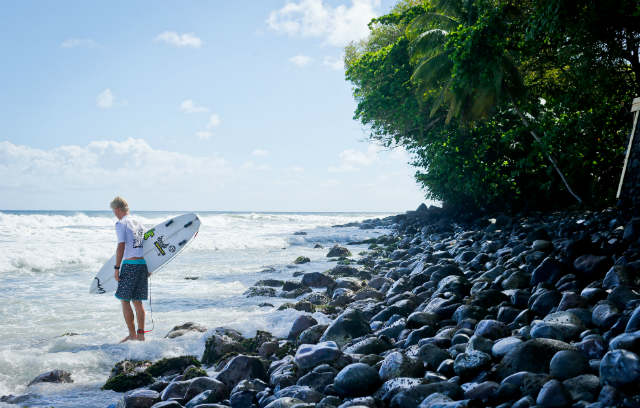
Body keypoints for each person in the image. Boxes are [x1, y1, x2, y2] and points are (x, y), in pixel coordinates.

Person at [110, 196, 148, 342]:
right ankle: (141, 335)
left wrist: (116, 268)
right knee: (138, 301)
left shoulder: (121, 224)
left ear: (118, 209)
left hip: (130, 266)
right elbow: (147, 244)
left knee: (124, 300)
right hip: (142, 264)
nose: (114, 213)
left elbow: (121, 246)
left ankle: (132, 335)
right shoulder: (139, 223)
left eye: (114, 210)